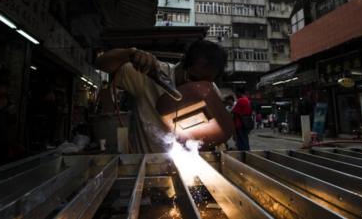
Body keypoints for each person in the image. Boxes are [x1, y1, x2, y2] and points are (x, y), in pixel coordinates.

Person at [95, 40, 227, 153]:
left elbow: (215, 133)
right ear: (183, 63)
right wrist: (130, 54)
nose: (197, 87)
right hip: (148, 166)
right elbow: (101, 63)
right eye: (193, 78)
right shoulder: (149, 75)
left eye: (206, 82)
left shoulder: (210, 92)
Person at [232, 86, 253, 151]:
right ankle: (246, 153)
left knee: (241, 141)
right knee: (245, 139)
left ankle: (243, 154)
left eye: (236, 93)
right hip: (246, 123)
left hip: (240, 123)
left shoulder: (241, 100)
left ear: (239, 92)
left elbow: (234, 112)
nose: (235, 95)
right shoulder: (247, 100)